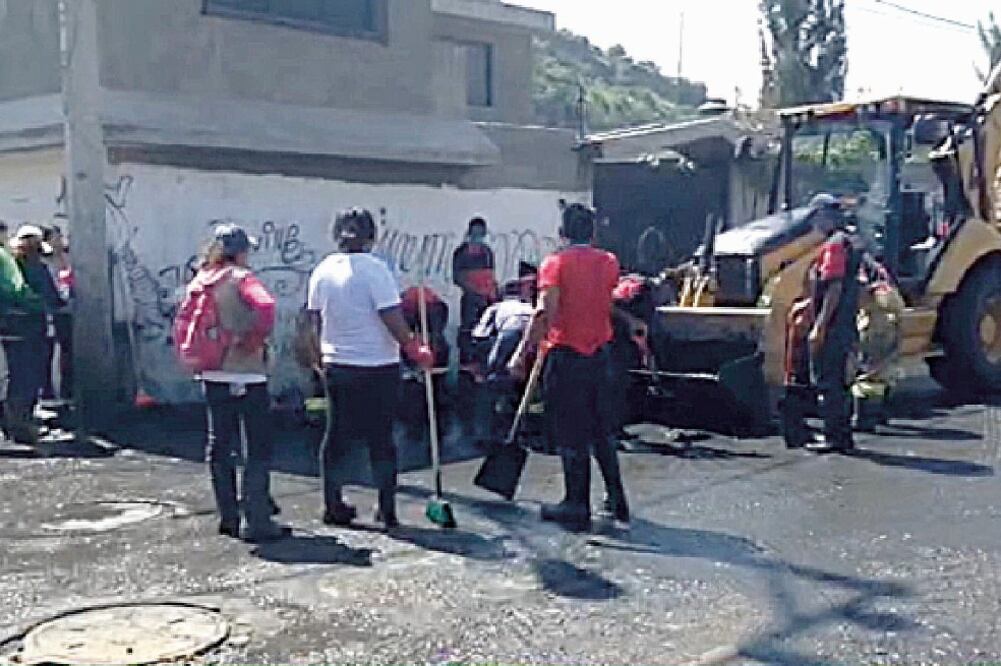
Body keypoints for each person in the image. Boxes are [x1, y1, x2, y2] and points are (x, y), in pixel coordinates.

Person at [307, 208, 433, 530]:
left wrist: (319, 356)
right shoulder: (376, 270)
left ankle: (332, 504)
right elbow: (391, 317)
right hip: (378, 366)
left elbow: (313, 319)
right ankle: (386, 510)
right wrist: (414, 348)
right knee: (381, 437)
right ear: (371, 236)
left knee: (337, 435)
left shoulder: (322, 270)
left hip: (338, 364)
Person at [509, 203, 630, 531]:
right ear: (592, 232)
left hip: (567, 355)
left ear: (562, 233)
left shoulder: (555, 264)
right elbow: (605, 299)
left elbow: (544, 312)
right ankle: (617, 499)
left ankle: (576, 504)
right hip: (601, 355)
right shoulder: (609, 262)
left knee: (570, 430)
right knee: (601, 430)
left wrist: (521, 354)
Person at [189, 224, 288, 542]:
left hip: (212, 370)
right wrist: (254, 340)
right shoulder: (242, 278)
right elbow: (266, 306)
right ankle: (257, 521)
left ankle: (228, 517)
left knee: (220, 444)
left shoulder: (202, 278)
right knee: (257, 445)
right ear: (241, 251)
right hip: (246, 372)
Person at [804, 195, 861, 452]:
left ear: (825, 216)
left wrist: (820, 326)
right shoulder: (851, 241)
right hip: (845, 321)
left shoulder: (835, 245)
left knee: (829, 381)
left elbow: (834, 287)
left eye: (816, 217)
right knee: (839, 380)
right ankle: (842, 436)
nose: (814, 223)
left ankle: (834, 437)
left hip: (834, 324)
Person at [0, 235, 44, 443]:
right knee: (21, 376)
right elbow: (17, 289)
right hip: (15, 324)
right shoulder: (3, 258)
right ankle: (18, 426)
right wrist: (39, 304)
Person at [452, 217, 498, 366]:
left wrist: (492, 293)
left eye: (481, 233)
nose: (478, 236)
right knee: (468, 330)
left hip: (487, 299)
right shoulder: (461, 253)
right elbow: (457, 278)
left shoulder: (487, 252)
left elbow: (490, 275)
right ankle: (466, 363)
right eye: (475, 232)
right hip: (470, 299)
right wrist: (476, 292)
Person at [42, 225, 73, 401]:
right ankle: (47, 391)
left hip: (68, 311)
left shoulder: (69, 257)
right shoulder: (45, 262)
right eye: (55, 237)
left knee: (68, 352)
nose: (58, 241)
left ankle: (67, 390)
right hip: (52, 311)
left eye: (59, 237)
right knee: (48, 352)